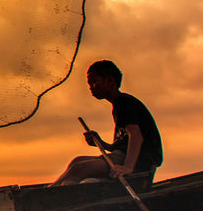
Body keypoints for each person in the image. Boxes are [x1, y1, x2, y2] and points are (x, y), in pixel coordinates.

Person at [52, 59, 163, 187]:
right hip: (122, 155)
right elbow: (122, 145)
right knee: (77, 161)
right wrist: (100, 143)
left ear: (110, 81)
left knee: (78, 168)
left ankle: (50, 193)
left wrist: (127, 167)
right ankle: (54, 189)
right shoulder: (118, 105)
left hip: (141, 159)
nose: (91, 88)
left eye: (94, 82)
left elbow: (136, 136)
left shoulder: (124, 103)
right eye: (89, 84)